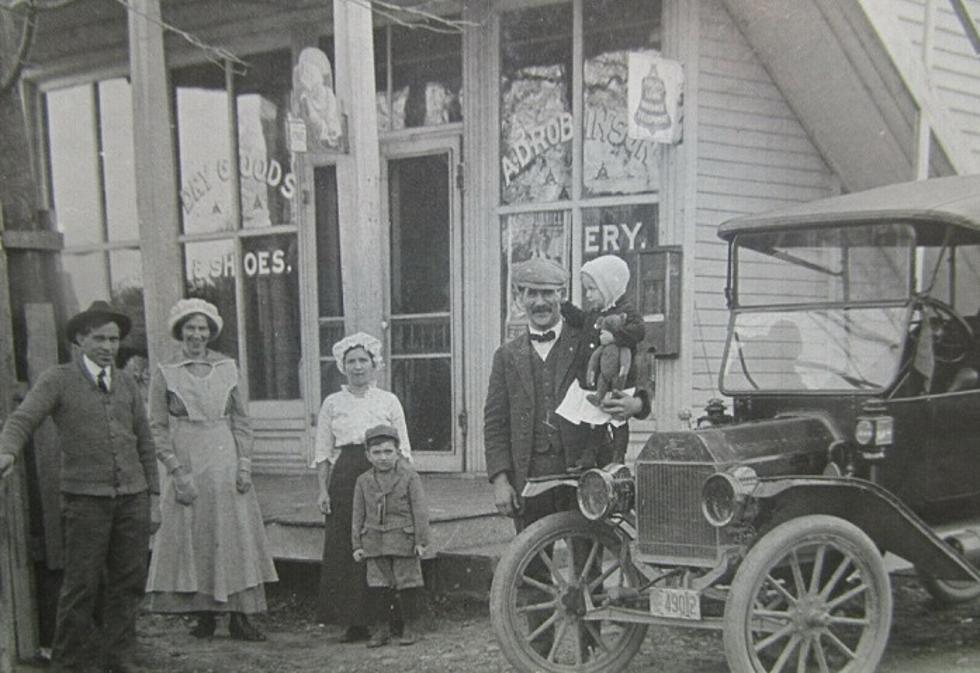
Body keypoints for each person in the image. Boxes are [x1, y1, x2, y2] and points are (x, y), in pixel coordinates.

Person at [0, 300, 158, 673]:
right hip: (86, 502)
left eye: (114, 339)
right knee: (81, 587)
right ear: (79, 340)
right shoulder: (58, 379)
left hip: (132, 500)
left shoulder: (127, 384)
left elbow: (145, 441)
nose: (108, 347)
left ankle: (120, 659)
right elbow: (23, 419)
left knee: (128, 583)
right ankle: (68, 664)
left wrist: (155, 494)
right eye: (100, 339)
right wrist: (7, 451)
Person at [145, 298, 278, 641]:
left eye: (203, 328)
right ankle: (203, 614)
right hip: (187, 458)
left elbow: (242, 420)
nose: (196, 335)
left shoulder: (228, 368)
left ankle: (240, 617)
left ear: (211, 332)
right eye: (190, 328)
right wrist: (175, 470)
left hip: (224, 457)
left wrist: (245, 465)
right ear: (180, 331)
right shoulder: (166, 372)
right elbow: (157, 426)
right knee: (197, 535)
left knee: (233, 535)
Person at [484, 257, 648, 532]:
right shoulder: (506, 356)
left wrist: (638, 403)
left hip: (585, 474)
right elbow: (495, 423)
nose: (540, 302)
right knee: (530, 565)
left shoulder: (588, 336)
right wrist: (500, 480)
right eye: (531, 293)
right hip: (529, 477)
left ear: (561, 295)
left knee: (588, 562)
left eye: (548, 293)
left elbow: (636, 364)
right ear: (519, 297)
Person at [313, 332, 412, 643]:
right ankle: (354, 620)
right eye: (351, 361)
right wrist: (323, 490)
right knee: (349, 544)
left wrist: (403, 485)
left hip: (382, 471)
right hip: (346, 475)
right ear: (343, 366)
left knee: (385, 543)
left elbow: (404, 447)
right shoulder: (333, 403)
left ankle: (391, 618)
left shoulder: (388, 400)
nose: (357, 367)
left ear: (374, 364)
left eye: (363, 360)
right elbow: (322, 451)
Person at [562, 254, 646, 469]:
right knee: (594, 421)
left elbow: (639, 330)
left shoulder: (625, 311)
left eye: (592, 289)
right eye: (586, 289)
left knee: (617, 420)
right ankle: (589, 457)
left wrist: (616, 338)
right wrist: (564, 306)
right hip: (597, 381)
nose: (588, 295)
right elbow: (581, 320)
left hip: (618, 379)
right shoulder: (594, 314)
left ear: (609, 287)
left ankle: (618, 459)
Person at [352, 424, 429, 648]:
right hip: (374, 541)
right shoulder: (363, 481)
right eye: (376, 453)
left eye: (388, 452)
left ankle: (412, 627)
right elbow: (357, 514)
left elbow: (420, 511)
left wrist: (420, 541)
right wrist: (357, 544)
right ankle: (381, 629)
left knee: (409, 583)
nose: (383, 458)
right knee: (377, 585)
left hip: (403, 540)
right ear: (367, 455)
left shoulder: (409, 477)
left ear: (398, 452)